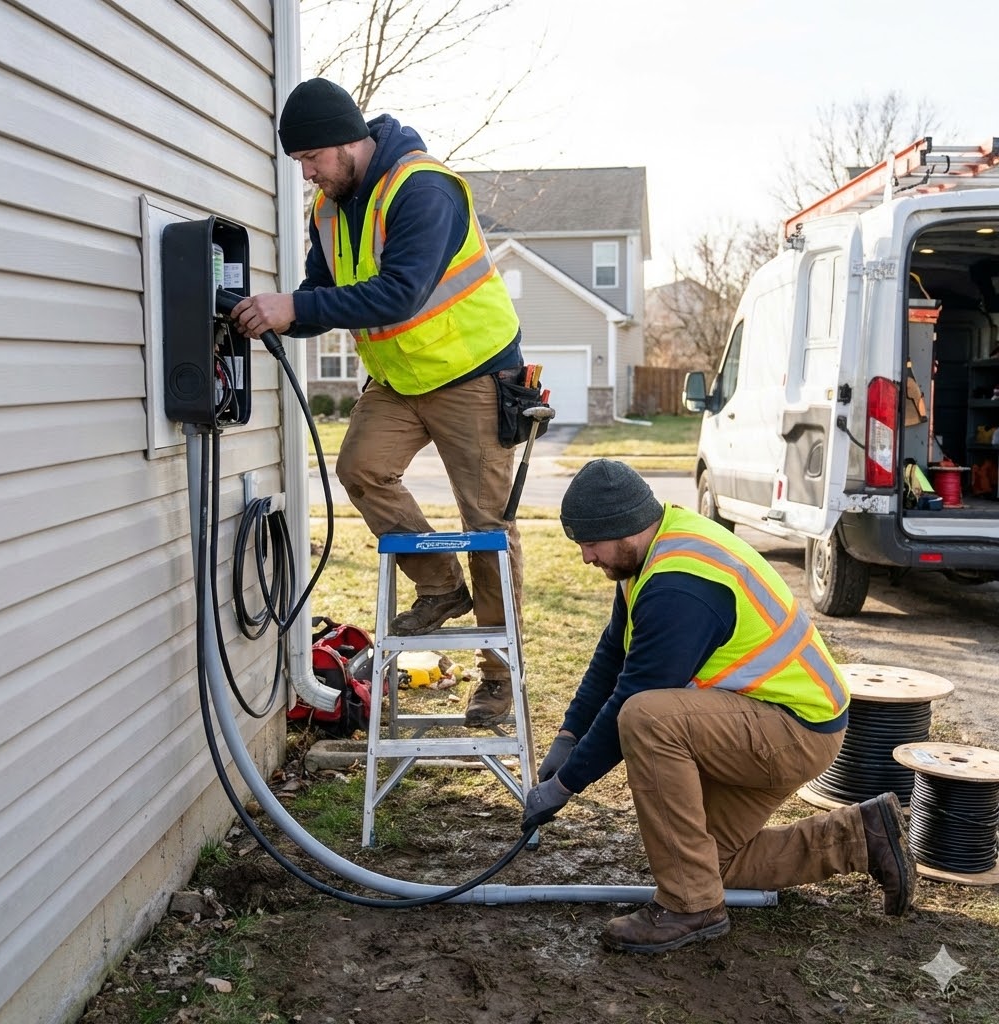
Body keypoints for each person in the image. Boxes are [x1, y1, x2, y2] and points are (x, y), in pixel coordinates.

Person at [521, 459, 916, 954]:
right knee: (707, 863)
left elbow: (632, 695)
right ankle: (862, 835)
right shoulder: (651, 553)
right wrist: (568, 736)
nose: (584, 557)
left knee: (645, 719)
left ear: (623, 528)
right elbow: (612, 655)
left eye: (590, 543)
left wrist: (564, 786)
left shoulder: (678, 585)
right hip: (773, 718)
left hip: (793, 729)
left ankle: (689, 908)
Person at [229, 79, 524, 726]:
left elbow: (397, 294)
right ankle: (439, 587)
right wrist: (262, 315)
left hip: (473, 373)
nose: (307, 174)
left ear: (345, 140)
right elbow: (318, 293)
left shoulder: (423, 189)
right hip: (398, 379)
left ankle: (499, 679)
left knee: (486, 527)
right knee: (360, 467)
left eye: (311, 159)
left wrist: (294, 307)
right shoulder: (329, 209)